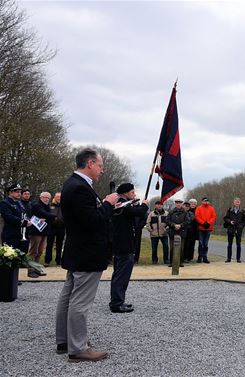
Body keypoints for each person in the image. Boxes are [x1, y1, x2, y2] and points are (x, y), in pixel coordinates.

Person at [55, 148, 119, 362]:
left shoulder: (73, 185)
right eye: (100, 166)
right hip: (86, 253)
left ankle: (65, 340)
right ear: (90, 164)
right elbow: (92, 221)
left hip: (78, 251)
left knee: (68, 297)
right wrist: (108, 204)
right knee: (80, 302)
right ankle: (78, 348)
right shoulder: (80, 188)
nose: (102, 170)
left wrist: (108, 206)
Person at [109, 183, 148, 313]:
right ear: (126, 193)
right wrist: (145, 205)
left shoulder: (120, 204)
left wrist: (135, 204)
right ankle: (117, 303)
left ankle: (117, 300)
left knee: (118, 274)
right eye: (132, 192)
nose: (134, 194)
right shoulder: (122, 204)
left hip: (120, 243)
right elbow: (140, 213)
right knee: (122, 275)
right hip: (124, 244)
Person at [27, 192, 56, 277]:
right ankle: (30, 270)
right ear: (40, 197)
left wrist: (48, 218)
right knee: (33, 251)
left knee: (39, 252)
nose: (46, 199)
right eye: (44, 197)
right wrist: (53, 216)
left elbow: (47, 217)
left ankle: (37, 269)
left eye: (48, 197)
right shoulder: (37, 205)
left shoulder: (48, 206)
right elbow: (44, 213)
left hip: (44, 232)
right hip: (36, 232)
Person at [0, 183, 31, 253]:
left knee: (21, 257)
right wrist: (23, 222)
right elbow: (8, 216)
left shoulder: (19, 203)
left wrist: (28, 220)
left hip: (21, 234)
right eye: (17, 192)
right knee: (10, 257)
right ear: (10, 192)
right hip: (10, 234)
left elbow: (24, 214)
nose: (19, 194)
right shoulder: (5, 203)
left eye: (20, 192)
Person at [166, 199, 191, 266]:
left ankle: (180, 262)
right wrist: (173, 225)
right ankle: (171, 262)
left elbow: (188, 221)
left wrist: (181, 225)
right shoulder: (171, 212)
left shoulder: (185, 212)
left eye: (179, 203)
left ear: (181, 204)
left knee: (181, 248)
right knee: (172, 248)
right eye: (177, 203)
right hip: (172, 232)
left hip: (182, 232)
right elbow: (167, 220)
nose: (178, 204)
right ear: (175, 204)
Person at [223, 198, 245, 263]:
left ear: (240, 203)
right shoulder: (230, 210)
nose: (237, 203)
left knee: (238, 244)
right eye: (236, 202)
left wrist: (240, 226)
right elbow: (225, 218)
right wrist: (230, 222)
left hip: (238, 230)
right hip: (231, 229)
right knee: (229, 244)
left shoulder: (242, 211)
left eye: (238, 202)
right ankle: (229, 258)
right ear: (233, 203)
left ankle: (238, 259)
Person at [45, 192, 65, 267]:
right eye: (57, 197)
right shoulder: (49, 206)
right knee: (49, 245)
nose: (59, 198)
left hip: (61, 228)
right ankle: (47, 261)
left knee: (59, 245)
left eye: (60, 197)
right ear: (54, 197)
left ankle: (58, 261)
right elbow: (46, 215)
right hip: (51, 227)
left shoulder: (64, 206)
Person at [195, 197, 216, 264]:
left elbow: (213, 217)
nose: (206, 202)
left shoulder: (211, 208)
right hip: (201, 228)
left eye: (207, 201)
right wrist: (203, 223)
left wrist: (208, 223)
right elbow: (197, 216)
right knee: (201, 243)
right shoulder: (199, 208)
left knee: (206, 244)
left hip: (208, 228)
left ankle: (205, 257)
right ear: (202, 201)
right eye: (204, 201)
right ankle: (199, 257)